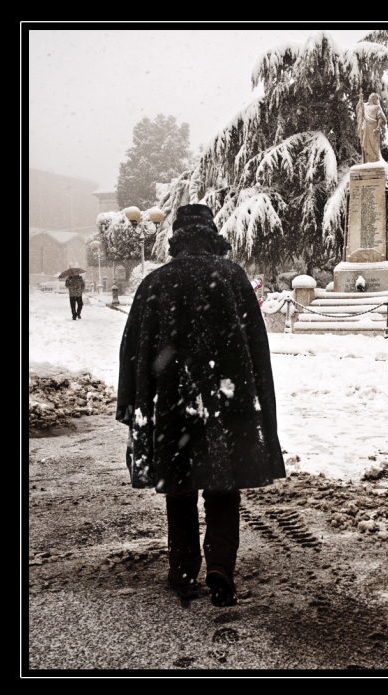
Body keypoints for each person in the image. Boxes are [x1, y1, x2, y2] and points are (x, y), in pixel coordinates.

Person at [116, 204, 286, 606]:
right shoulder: (231, 277)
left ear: (175, 237)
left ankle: (182, 568)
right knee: (223, 487)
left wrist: (138, 402)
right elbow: (254, 346)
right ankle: (221, 567)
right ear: (212, 234)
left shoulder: (155, 282)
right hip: (227, 400)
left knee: (179, 489)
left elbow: (134, 352)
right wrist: (255, 398)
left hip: (174, 404)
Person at [356, 91, 387, 164]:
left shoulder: (377, 107)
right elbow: (360, 108)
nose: (369, 98)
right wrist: (360, 98)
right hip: (366, 127)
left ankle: (375, 160)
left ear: (373, 99)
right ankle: (367, 161)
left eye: (370, 97)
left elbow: (380, 117)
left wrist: (378, 127)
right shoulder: (366, 106)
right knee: (366, 145)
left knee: (374, 145)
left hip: (373, 127)